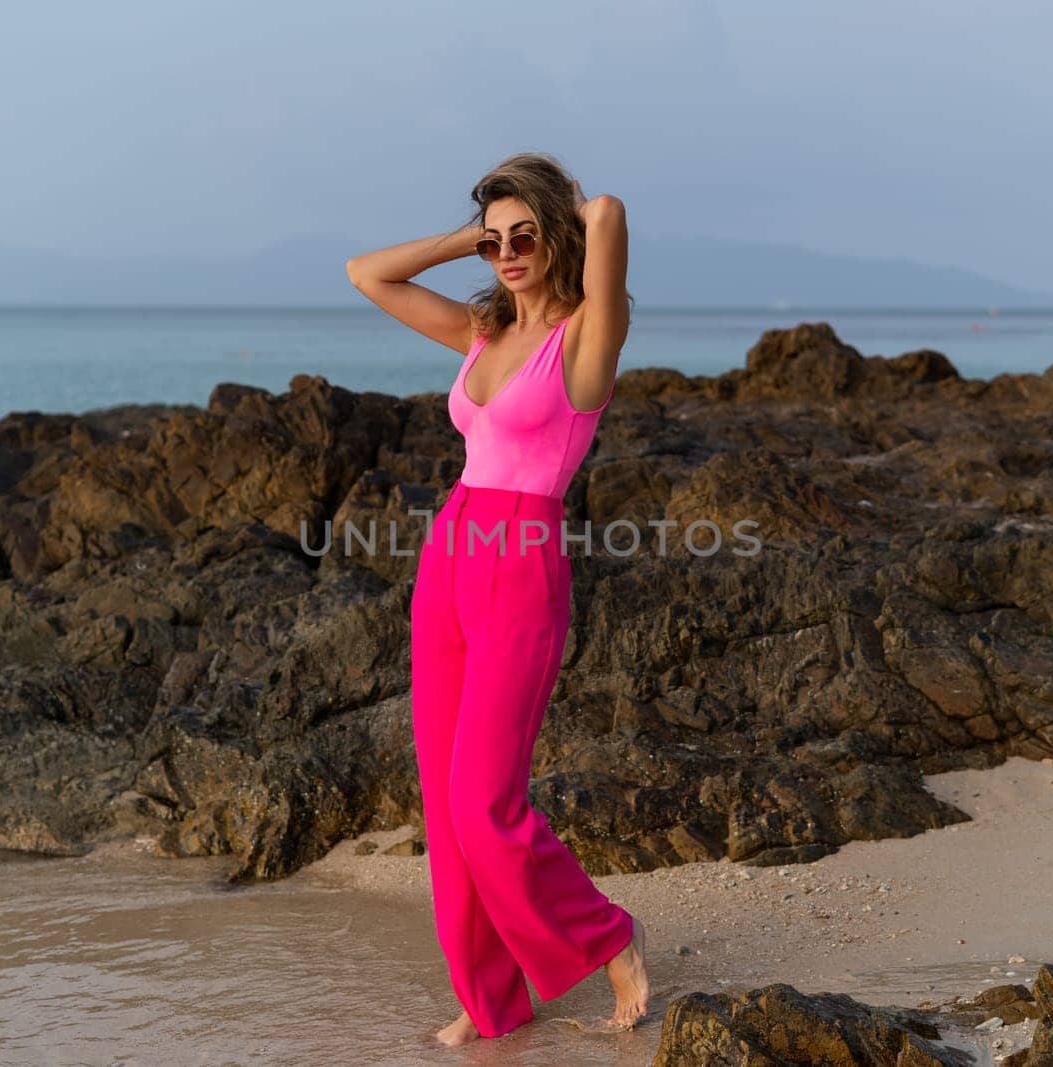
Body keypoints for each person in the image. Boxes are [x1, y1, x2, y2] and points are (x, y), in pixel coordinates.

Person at [345, 152, 650, 1046]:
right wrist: (466, 237)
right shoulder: (483, 332)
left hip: (521, 562)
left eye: (524, 237)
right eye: (494, 242)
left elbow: (610, 213)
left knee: (487, 801)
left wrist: (567, 217)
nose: (508, 253)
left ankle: (610, 935)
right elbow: (369, 274)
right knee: (446, 807)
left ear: (554, 236)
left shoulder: (587, 340)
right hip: (449, 556)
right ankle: (493, 999)